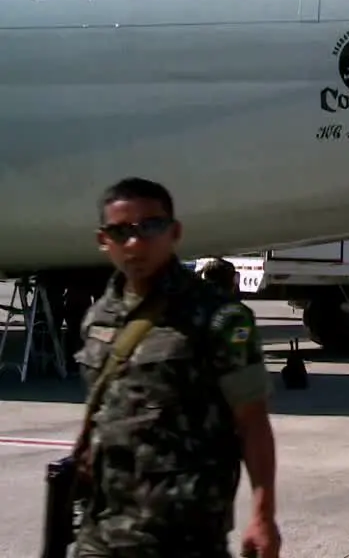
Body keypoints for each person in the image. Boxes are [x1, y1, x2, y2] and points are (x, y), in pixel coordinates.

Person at [74, 177, 281, 558]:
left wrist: (263, 515)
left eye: (150, 227)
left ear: (175, 232)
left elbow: (253, 421)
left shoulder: (219, 317)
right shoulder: (98, 318)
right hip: (101, 530)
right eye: (121, 231)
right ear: (103, 240)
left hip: (182, 534)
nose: (135, 243)